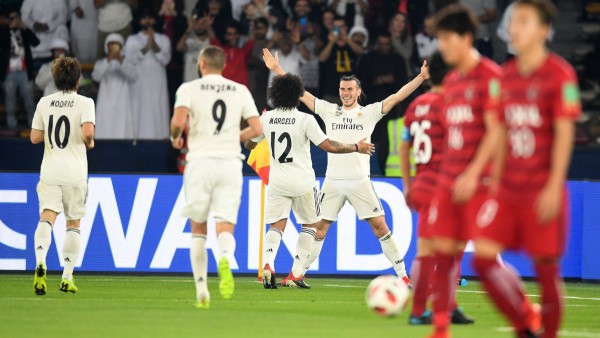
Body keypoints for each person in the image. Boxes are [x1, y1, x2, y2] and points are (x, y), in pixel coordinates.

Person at [263, 48, 429, 287]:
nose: (345, 93)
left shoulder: (369, 112)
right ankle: (297, 274)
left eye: (350, 89)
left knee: (380, 225)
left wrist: (421, 78)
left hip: (360, 180)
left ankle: (402, 274)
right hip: (332, 182)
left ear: (358, 92)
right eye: (342, 89)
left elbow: (397, 97)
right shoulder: (329, 111)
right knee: (318, 230)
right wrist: (277, 69)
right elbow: (300, 93)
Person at [472, 1, 581, 338]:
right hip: (508, 189)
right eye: (513, 20)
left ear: (544, 31)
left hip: (541, 189)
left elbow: (565, 134)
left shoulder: (561, 75)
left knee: (546, 270)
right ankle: (524, 324)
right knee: (483, 259)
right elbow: (501, 134)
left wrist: (553, 186)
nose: (514, 27)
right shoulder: (504, 78)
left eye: (524, 21)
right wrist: (493, 184)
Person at [245, 73, 375, 289]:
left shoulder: (266, 119)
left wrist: (261, 128)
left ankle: (268, 263)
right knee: (311, 225)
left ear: (275, 95)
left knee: (276, 225)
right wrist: (355, 147)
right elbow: (328, 146)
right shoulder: (305, 120)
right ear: (297, 96)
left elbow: (250, 144)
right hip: (303, 182)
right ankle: (296, 273)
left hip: (277, 182)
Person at [426, 5, 503, 338]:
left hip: (480, 181)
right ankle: (441, 328)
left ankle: (527, 316)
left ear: (466, 38)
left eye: (447, 38)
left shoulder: (491, 76)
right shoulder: (453, 80)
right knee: (443, 255)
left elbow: (497, 129)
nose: (442, 45)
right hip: (449, 181)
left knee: (485, 263)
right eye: (439, 39)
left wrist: (476, 174)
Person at [170, 45, 262, 308]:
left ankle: (202, 292)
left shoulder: (189, 88)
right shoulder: (240, 90)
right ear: (223, 66)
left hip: (199, 162)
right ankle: (224, 256)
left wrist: (176, 137)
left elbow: (178, 122)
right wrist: (234, 136)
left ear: (201, 64)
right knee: (225, 224)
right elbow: (257, 128)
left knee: (198, 229)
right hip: (230, 163)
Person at [400, 51, 474, 326]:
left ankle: (438, 308)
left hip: (421, 185)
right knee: (445, 250)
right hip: (443, 187)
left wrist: (408, 185)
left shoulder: (416, 105)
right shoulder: (450, 105)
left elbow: (404, 145)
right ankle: (425, 310)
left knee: (431, 249)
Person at [30, 57, 95, 296]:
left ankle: (40, 261)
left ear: (55, 80)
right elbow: (87, 133)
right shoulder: (85, 102)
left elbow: (35, 137)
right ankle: (67, 277)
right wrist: (89, 141)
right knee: (73, 223)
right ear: (78, 79)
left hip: (50, 171)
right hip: (75, 173)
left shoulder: (45, 102)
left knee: (47, 218)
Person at [124, 9, 171, 139]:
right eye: (144, 18)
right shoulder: (132, 40)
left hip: (157, 83)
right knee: (138, 110)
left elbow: (165, 59)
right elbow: (129, 60)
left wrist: (153, 44)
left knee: (157, 109)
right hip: (138, 83)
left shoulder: (163, 39)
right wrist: (145, 48)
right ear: (139, 20)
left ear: (155, 20)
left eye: (150, 18)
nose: (148, 21)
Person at [92, 33, 137, 139]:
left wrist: (120, 61)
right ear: (106, 46)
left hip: (123, 102)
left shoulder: (127, 63)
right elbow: (96, 76)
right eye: (110, 44)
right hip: (105, 103)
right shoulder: (101, 62)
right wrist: (108, 60)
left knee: (122, 128)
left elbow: (134, 76)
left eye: (116, 44)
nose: (113, 47)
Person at [1, 10, 39, 130]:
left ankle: (33, 125)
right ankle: (11, 126)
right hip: (9, 72)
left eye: (16, 18)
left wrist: (24, 27)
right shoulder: (4, 32)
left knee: (29, 100)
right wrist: (8, 26)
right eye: (11, 18)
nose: (14, 20)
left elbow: (36, 42)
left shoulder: (24, 32)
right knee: (10, 101)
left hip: (24, 72)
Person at [318, 17, 364, 103]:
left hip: (352, 93)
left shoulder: (351, 43)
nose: (339, 30)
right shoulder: (328, 43)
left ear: (346, 28)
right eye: (336, 27)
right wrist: (331, 42)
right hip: (331, 93)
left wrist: (346, 38)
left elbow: (360, 52)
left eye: (341, 27)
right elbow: (321, 58)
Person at [20, 0, 69, 65]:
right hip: (35, 34)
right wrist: (33, 25)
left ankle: (60, 63)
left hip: (52, 34)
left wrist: (48, 26)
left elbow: (63, 18)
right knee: (23, 29)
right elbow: (24, 17)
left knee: (62, 29)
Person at [209, 21, 254, 86]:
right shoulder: (220, 51)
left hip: (240, 92)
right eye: (230, 34)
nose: (233, 37)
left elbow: (251, 39)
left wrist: (252, 22)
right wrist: (207, 24)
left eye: (235, 34)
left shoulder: (243, 52)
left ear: (238, 35)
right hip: (223, 90)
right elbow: (212, 38)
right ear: (225, 36)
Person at [176, 14, 211, 82]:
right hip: (189, 83)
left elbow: (215, 41)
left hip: (206, 84)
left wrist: (208, 25)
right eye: (196, 24)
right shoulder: (190, 41)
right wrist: (189, 28)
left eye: (202, 24)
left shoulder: (210, 42)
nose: (199, 27)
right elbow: (179, 47)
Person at [389, 12, 413, 77]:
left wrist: (395, 40)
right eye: (397, 20)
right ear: (392, 21)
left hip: (404, 73)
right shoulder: (384, 34)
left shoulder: (407, 38)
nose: (399, 23)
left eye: (403, 21)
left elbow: (407, 55)